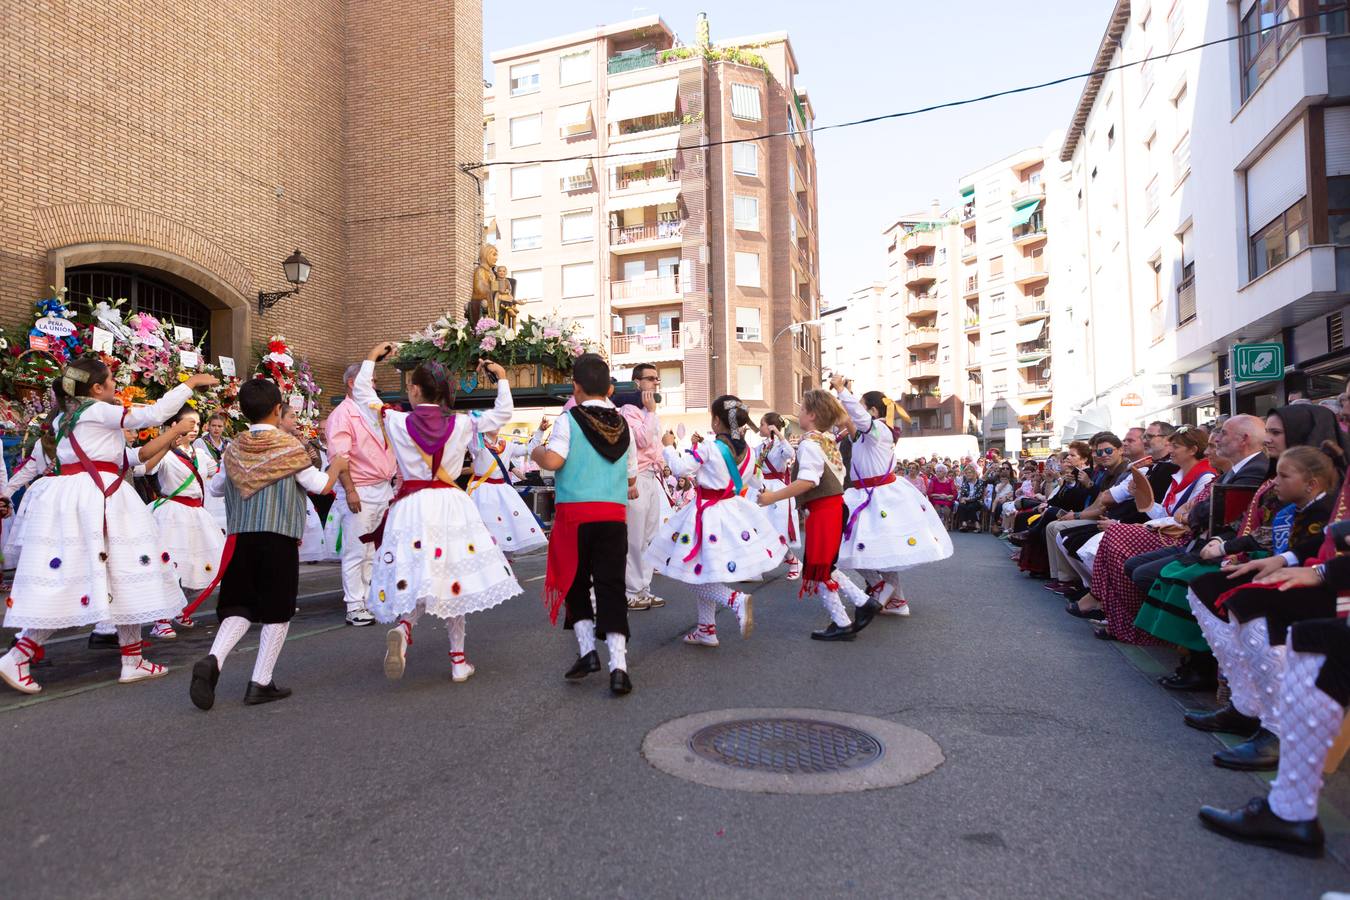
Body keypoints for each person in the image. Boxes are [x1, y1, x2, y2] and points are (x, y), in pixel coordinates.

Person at [0, 359, 217, 694]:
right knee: (103, 575)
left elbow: (130, 458)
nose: (116, 384)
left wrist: (172, 433)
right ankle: (19, 653)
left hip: (92, 496)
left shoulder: (66, 418)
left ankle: (132, 660)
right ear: (96, 388)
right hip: (100, 500)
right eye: (112, 379)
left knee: (122, 575)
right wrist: (190, 384)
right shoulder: (94, 410)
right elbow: (152, 414)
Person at [347, 347, 524, 685]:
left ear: (414, 390)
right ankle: (458, 661)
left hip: (411, 507)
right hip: (450, 505)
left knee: (419, 573)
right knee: (452, 578)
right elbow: (503, 413)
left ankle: (404, 626)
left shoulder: (395, 419)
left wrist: (370, 357)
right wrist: (501, 378)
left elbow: (362, 394)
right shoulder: (463, 423)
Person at [187, 377, 347, 710]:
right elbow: (319, 485)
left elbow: (216, 489)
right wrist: (337, 467)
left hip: (242, 537)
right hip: (278, 538)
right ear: (278, 409)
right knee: (277, 610)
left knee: (240, 605)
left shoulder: (232, 448)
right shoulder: (289, 447)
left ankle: (214, 658)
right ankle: (260, 681)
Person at [1186, 444, 1340, 773]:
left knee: (1252, 604)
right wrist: (1284, 560)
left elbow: (1330, 546)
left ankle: (1279, 728)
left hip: (1336, 585)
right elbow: (1319, 543)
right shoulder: (1307, 503)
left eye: (1283, 476)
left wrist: (1317, 572)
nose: (1275, 482)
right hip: (1320, 572)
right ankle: (1246, 705)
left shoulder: (1327, 501)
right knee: (1204, 587)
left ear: (1311, 482)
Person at [532, 353, 638, 696]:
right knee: (611, 587)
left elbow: (554, 460)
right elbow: (632, 477)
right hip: (614, 515)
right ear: (609, 388)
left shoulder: (569, 420)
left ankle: (587, 652)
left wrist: (536, 451)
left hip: (575, 515)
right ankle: (619, 667)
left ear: (575, 387)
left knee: (576, 583)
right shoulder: (625, 425)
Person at [652, 396, 782, 648]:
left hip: (706, 514)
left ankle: (734, 600)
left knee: (693, 575)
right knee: (705, 570)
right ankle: (706, 629)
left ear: (716, 420)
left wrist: (668, 446)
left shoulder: (709, 448)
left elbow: (679, 468)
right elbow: (753, 480)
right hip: (732, 513)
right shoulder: (748, 452)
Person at [831, 378, 953, 620]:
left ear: (873, 411)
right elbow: (851, 420)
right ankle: (895, 599)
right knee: (880, 551)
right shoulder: (869, 433)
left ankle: (882, 590)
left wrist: (843, 391)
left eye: (863, 407)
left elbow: (857, 418)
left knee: (852, 548)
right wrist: (844, 395)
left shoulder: (879, 429)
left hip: (877, 497)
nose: (859, 412)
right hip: (867, 495)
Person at [758, 389, 868, 640]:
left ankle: (842, 622)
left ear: (812, 414)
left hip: (824, 510)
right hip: (832, 507)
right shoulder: (826, 440)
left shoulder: (809, 444)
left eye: (802, 409)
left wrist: (772, 497)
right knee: (825, 568)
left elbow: (808, 480)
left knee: (819, 570)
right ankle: (863, 602)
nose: (799, 413)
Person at [327, 362, 398, 626]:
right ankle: (354, 605)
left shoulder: (375, 411)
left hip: (382, 487)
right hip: (360, 488)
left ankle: (369, 598)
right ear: (352, 383)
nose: (375, 385)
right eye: (371, 381)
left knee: (373, 550)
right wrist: (350, 490)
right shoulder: (342, 414)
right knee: (356, 549)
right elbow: (339, 457)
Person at [146, 408, 226, 635]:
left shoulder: (201, 455)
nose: (194, 428)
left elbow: (220, 473)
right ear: (175, 426)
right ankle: (160, 620)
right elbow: (144, 468)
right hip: (171, 514)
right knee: (169, 566)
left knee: (197, 566)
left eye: (197, 424)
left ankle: (180, 609)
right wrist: (164, 447)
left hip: (196, 514)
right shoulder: (167, 454)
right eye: (189, 423)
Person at [620, 363, 667, 611]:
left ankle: (643, 588)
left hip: (651, 477)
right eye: (650, 378)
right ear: (637, 382)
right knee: (635, 539)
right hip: (634, 479)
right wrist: (651, 412)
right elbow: (641, 439)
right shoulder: (628, 409)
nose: (655, 383)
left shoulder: (648, 411)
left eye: (657, 378)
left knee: (650, 537)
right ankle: (631, 590)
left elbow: (655, 445)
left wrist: (663, 465)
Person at [465, 421, 547, 559]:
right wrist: (475, 426)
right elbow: (474, 447)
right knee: (486, 528)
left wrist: (539, 431)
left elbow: (528, 449)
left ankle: (504, 561)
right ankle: (488, 559)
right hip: (483, 490)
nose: (496, 426)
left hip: (502, 491)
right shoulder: (477, 443)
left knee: (505, 527)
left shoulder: (506, 445)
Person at [752, 412, 803, 579]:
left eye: (762, 424)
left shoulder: (781, 445)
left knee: (776, 529)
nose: (760, 427)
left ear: (771, 426)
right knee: (757, 527)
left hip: (777, 490)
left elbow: (790, 454)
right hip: (761, 487)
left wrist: (780, 434)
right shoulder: (760, 447)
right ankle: (757, 568)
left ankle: (793, 560)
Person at [193, 411, 231, 532]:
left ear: (223, 428)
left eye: (219, 426)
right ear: (208, 426)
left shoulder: (228, 444)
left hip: (222, 483)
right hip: (207, 483)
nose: (216, 429)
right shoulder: (200, 442)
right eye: (213, 425)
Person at [927, 464, 957, 529]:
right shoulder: (933, 480)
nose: (938, 473)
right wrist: (939, 495)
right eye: (937, 471)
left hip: (947, 499)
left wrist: (946, 496)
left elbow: (954, 493)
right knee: (937, 506)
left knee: (947, 506)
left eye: (940, 471)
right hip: (936, 499)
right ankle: (938, 523)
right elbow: (929, 493)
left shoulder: (950, 481)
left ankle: (946, 522)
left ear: (945, 473)